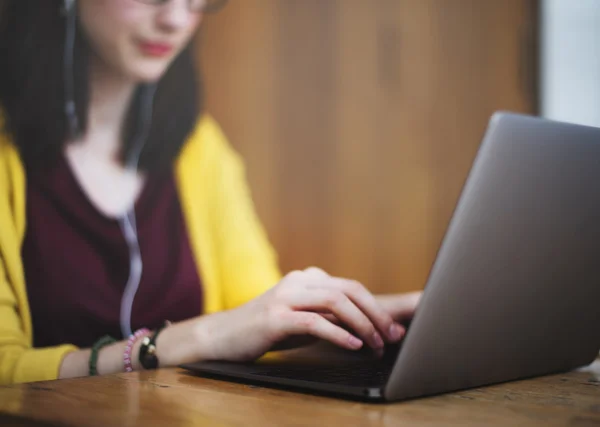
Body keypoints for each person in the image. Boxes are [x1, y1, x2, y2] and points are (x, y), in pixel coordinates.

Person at [0, 0, 421, 385]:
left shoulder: (201, 150)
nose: (176, 19)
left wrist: (389, 315)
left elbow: (255, 308)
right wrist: (194, 338)